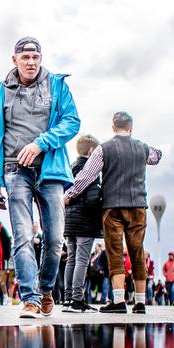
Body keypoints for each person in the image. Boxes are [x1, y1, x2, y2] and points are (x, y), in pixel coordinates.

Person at [0, 36, 81, 318]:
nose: (31, 62)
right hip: (15, 172)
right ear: (14, 60)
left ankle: (47, 288)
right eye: (25, 58)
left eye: (35, 58)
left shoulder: (57, 86)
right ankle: (30, 297)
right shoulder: (0, 92)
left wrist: (41, 142)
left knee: (54, 240)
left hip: (50, 170)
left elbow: (72, 121)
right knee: (23, 236)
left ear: (41, 59)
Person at [65, 112, 162, 314]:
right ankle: (141, 302)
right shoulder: (142, 148)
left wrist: (70, 194)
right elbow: (156, 157)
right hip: (137, 206)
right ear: (131, 127)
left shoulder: (104, 149)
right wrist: (148, 150)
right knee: (136, 251)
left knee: (115, 253)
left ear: (112, 127)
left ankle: (118, 301)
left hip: (113, 207)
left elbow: (86, 176)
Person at [61, 134, 102, 312]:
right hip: (84, 221)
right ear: (92, 150)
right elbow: (93, 199)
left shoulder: (70, 167)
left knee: (71, 260)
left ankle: (68, 299)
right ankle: (77, 299)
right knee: (82, 261)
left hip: (69, 220)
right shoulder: (89, 170)